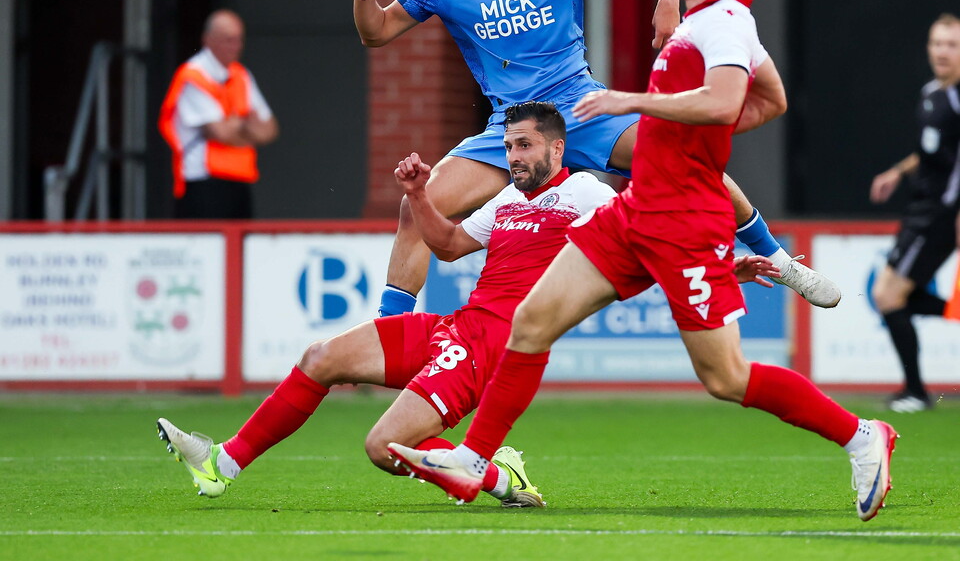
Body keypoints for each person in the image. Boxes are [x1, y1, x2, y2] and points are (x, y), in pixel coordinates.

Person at [388, 0, 898, 523]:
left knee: (726, 377)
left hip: (684, 222)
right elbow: (771, 100)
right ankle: (475, 457)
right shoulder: (700, 24)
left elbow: (728, 99)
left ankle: (861, 434)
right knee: (531, 321)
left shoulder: (727, 20)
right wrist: (687, 139)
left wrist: (634, 104)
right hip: (634, 210)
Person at [156, 101, 777, 506]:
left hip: (491, 350)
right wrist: (420, 196)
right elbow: (450, 246)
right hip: (453, 328)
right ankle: (222, 463)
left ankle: (494, 473)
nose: (514, 158)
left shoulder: (588, 194)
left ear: (558, 150)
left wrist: (726, 263)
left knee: (380, 448)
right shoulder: (505, 201)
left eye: (526, 147)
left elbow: (648, 243)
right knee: (320, 356)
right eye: (509, 148)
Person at [343, 0, 840, 317]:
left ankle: (781, 261)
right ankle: (391, 335)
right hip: (511, 128)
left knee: (689, 159)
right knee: (416, 207)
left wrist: (668, 2)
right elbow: (376, 32)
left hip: (581, 110)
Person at [868, 13, 960, 412]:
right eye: (937, 43)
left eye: (952, 44)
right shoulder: (931, 93)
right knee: (892, 297)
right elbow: (928, 153)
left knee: (887, 296)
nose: (942, 51)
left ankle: (917, 392)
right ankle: (917, 389)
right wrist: (896, 172)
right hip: (921, 208)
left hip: (942, 214)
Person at [158, 9, 278, 219]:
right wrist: (247, 126)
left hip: (239, 179)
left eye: (239, 40)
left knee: (240, 249)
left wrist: (234, 125)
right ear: (208, 40)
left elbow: (270, 130)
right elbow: (219, 132)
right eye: (228, 40)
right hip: (203, 182)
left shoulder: (241, 74)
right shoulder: (193, 76)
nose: (236, 47)